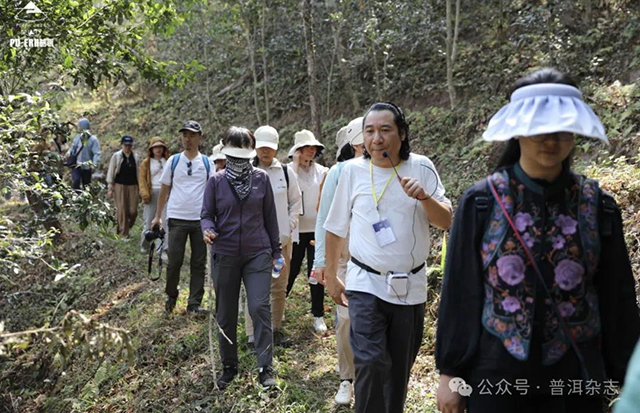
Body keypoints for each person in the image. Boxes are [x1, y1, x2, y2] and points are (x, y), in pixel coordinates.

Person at [435, 68, 640, 413]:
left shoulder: (597, 206)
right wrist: (450, 373)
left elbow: (617, 296)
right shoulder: (482, 202)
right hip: (498, 375)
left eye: (562, 130)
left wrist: (628, 373)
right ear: (518, 131)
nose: (551, 140)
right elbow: (461, 291)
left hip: (575, 377)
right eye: (539, 130)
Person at [324, 102, 453, 413]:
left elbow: (446, 220)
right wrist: (330, 275)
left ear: (403, 133)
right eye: (369, 131)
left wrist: (424, 197)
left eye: (385, 130)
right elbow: (334, 227)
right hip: (365, 282)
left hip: (411, 286)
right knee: (371, 362)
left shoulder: (421, 167)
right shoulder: (353, 171)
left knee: (398, 369)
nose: (376, 138)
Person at [201, 127, 281, 389]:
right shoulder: (216, 181)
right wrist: (208, 229)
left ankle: (265, 367)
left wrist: (276, 251)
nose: (238, 162)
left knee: (259, 306)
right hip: (224, 253)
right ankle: (229, 365)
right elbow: (207, 214)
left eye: (242, 156)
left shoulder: (261, 179)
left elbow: (270, 216)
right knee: (225, 313)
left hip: (257, 252)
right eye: (233, 156)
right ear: (225, 153)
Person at [313, 117, 364, 406]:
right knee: (345, 319)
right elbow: (324, 219)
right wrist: (322, 261)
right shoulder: (338, 172)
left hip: (378, 259)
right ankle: (347, 377)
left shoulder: (388, 169)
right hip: (343, 257)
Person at [242, 125, 302, 348]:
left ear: (276, 149)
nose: (266, 152)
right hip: (253, 243)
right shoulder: (245, 171)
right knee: (255, 288)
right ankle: (252, 334)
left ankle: (274, 329)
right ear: (255, 147)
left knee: (278, 287)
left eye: (270, 148)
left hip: (282, 242)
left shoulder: (286, 172)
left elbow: (295, 202)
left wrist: (289, 224)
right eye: (262, 147)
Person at [152, 120, 210, 316]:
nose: (187, 138)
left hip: (200, 220)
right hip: (176, 217)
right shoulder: (174, 161)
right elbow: (164, 189)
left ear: (199, 138)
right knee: (174, 260)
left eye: (192, 135)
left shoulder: (207, 163)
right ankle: (171, 295)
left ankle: (194, 304)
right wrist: (158, 216)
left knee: (198, 263)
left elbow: (212, 193)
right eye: (185, 135)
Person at [285, 129, 329, 333]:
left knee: (316, 272)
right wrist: (294, 163)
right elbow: (288, 188)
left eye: (313, 148)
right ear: (298, 150)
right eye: (306, 148)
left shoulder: (322, 171)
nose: (310, 152)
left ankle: (318, 315)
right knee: (290, 270)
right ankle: (278, 306)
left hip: (316, 231)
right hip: (295, 231)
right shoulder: (287, 171)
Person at [139, 137, 169, 256]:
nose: (158, 149)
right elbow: (142, 180)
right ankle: (145, 244)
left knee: (165, 222)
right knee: (149, 221)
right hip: (151, 193)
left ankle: (162, 249)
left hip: (165, 193)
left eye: (160, 147)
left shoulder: (168, 161)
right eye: (156, 147)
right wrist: (144, 194)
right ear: (151, 149)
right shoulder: (146, 163)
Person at [106, 135, 141, 237]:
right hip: (119, 186)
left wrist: (141, 189)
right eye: (125, 145)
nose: (127, 147)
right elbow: (111, 172)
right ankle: (124, 234)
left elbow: (139, 173)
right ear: (122, 145)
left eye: (129, 145)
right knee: (122, 210)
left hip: (133, 186)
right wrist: (110, 188)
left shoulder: (136, 157)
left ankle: (125, 226)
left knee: (133, 211)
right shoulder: (116, 156)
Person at [66, 118, 101, 190]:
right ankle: (76, 197)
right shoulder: (77, 138)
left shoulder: (93, 140)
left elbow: (96, 153)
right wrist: (69, 152)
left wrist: (94, 164)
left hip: (87, 166)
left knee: (87, 185)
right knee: (76, 181)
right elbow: (73, 148)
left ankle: (86, 199)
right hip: (76, 165)